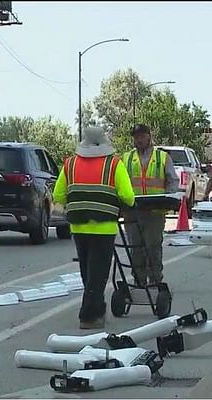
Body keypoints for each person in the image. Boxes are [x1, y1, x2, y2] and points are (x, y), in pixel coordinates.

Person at [52, 126, 135, 329]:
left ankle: (96, 309)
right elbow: (127, 197)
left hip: (78, 227)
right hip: (104, 227)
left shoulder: (70, 164)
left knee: (87, 272)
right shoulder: (114, 164)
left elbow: (58, 195)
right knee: (98, 274)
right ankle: (89, 316)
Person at [122, 124, 180, 287]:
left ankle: (155, 280)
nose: (138, 140)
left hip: (155, 211)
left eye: (141, 136)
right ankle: (139, 281)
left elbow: (172, 181)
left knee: (153, 247)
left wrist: (166, 197)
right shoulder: (126, 158)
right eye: (136, 137)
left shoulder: (162, 157)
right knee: (136, 248)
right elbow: (119, 181)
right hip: (133, 211)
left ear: (149, 136)